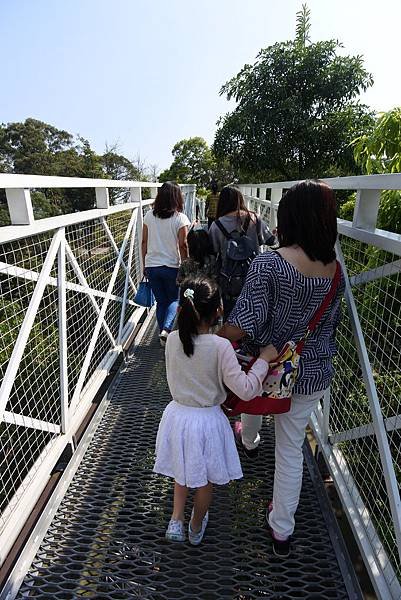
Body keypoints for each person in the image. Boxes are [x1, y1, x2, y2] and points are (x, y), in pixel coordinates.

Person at [218, 180, 344, 558]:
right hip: (311, 371)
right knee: (290, 451)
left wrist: (208, 338)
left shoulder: (270, 262)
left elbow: (245, 323)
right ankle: (281, 532)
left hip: (265, 366)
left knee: (255, 395)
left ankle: (249, 443)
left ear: (288, 216)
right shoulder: (335, 270)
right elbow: (329, 325)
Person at [153, 276, 277, 545]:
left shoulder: (173, 339)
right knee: (205, 479)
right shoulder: (220, 347)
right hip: (207, 421)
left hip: (177, 416)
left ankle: (176, 520)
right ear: (218, 310)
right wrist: (263, 361)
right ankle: (195, 527)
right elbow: (245, 389)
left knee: (181, 468)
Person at [209, 185, 275, 319]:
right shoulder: (254, 219)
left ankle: (233, 339)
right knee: (255, 314)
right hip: (254, 275)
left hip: (228, 279)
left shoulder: (216, 225)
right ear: (240, 199)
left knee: (230, 316)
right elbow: (271, 241)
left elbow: (213, 252)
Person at [142, 182, 190, 346]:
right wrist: (186, 267)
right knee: (173, 300)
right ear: (177, 197)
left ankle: (162, 333)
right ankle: (167, 330)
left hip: (152, 266)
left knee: (161, 302)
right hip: (172, 266)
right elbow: (183, 246)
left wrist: (144, 265)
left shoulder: (148, 215)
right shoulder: (180, 218)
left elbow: (143, 242)